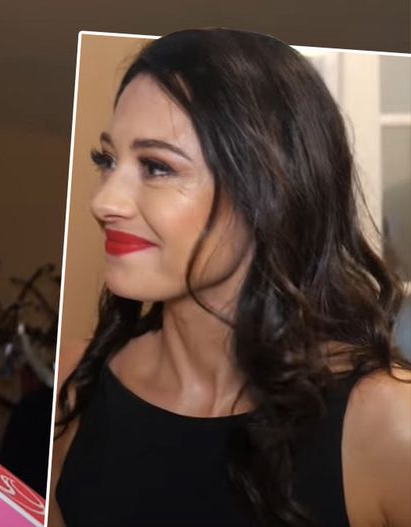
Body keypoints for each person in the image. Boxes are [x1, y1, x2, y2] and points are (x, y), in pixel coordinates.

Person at [52, 29, 411, 527]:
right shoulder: (78, 379)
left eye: (157, 167)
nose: (104, 201)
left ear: (271, 189)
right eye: (107, 161)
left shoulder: (389, 422)